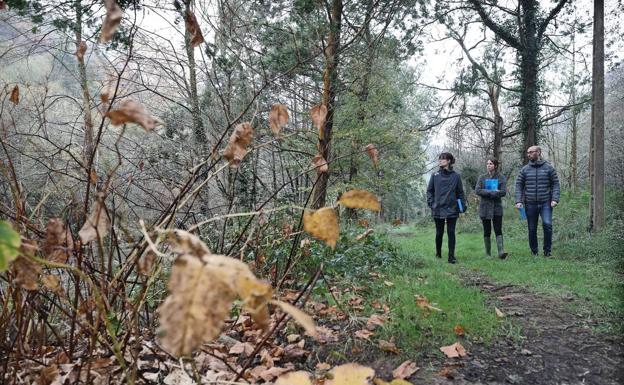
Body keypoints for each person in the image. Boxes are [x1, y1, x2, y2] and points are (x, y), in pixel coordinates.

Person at [515, 146, 561, 257]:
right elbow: (519, 185)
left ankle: (547, 252)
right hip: (530, 203)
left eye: (531, 152)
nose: (529, 154)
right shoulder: (524, 170)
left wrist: (555, 199)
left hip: (546, 202)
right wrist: (518, 200)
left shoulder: (549, 168)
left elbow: (555, 184)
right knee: (531, 228)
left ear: (538, 152)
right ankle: (534, 252)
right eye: (528, 152)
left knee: (547, 224)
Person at [427, 152, 466, 264]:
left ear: (449, 161)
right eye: (439, 159)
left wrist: (462, 206)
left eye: (443, 159)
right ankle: (438, 253)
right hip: (438, 208)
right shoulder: (435, 175)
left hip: (452, 208)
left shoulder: (456, 176)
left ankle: (451, 257)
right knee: (439, 232)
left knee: (451, 232)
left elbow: (460, 192)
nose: (440, 161)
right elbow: (430, 191)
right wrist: (431, 203)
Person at [475, 158, 508, 259]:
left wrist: (493, 193)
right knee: (487, 230)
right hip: (484, 207)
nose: (488, 165)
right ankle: (488, 254)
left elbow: (503, 192)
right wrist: (491, 192)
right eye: (487, 163)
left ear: (495, 166)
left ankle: (501, 252)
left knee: (498, 229)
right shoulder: (482, 177)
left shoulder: (501, 177)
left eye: (491, 164)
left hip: (497, 207)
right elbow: (477, 190)